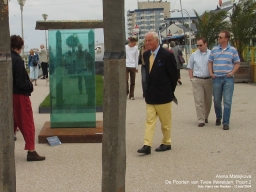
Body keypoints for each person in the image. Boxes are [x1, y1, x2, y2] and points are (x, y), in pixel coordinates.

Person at [137, 31, 178, 155]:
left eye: (149, 40)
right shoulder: (146, 55)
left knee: (165, 122)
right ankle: (147, 145)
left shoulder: (166, 55)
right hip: (150, 95)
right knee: (149, 121)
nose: (147, 43)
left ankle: (166, 142)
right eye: (146, 40)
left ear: (156, 41)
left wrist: (170, 91)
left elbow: (173, 76)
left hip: (163, 95)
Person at [11, 35, 45, 161]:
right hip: (20, 95)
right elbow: (21, 82)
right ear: (20, 46)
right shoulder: (18, 60)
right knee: (27, 122)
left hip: (10, 95)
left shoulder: (7, 57)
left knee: (12, 122)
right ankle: (31, 150)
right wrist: (30, 86)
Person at [208, 30, 240, 130]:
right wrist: (211, 73)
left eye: (220, 37)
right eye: (218, 37)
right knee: (217, 100)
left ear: (226, 39)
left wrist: (231, 73)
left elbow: (237, 63)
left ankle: (226, 122)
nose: (218, 39)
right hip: (217, 78)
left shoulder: (233, 50)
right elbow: (210, 62)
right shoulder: (214, 50)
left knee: (227, 101)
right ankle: (218, 117)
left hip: (228, 78)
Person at [187, 37, 212, 127]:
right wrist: (192, 78)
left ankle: (205, 116)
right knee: (199, 100)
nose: (199, 47)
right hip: (197, 79)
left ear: (206, 44)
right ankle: (201, 119)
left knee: (208, 101)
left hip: (208, 80)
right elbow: (190, 67)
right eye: (197, 45)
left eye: (201, 45)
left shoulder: (211, 54)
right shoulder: (194, 55)